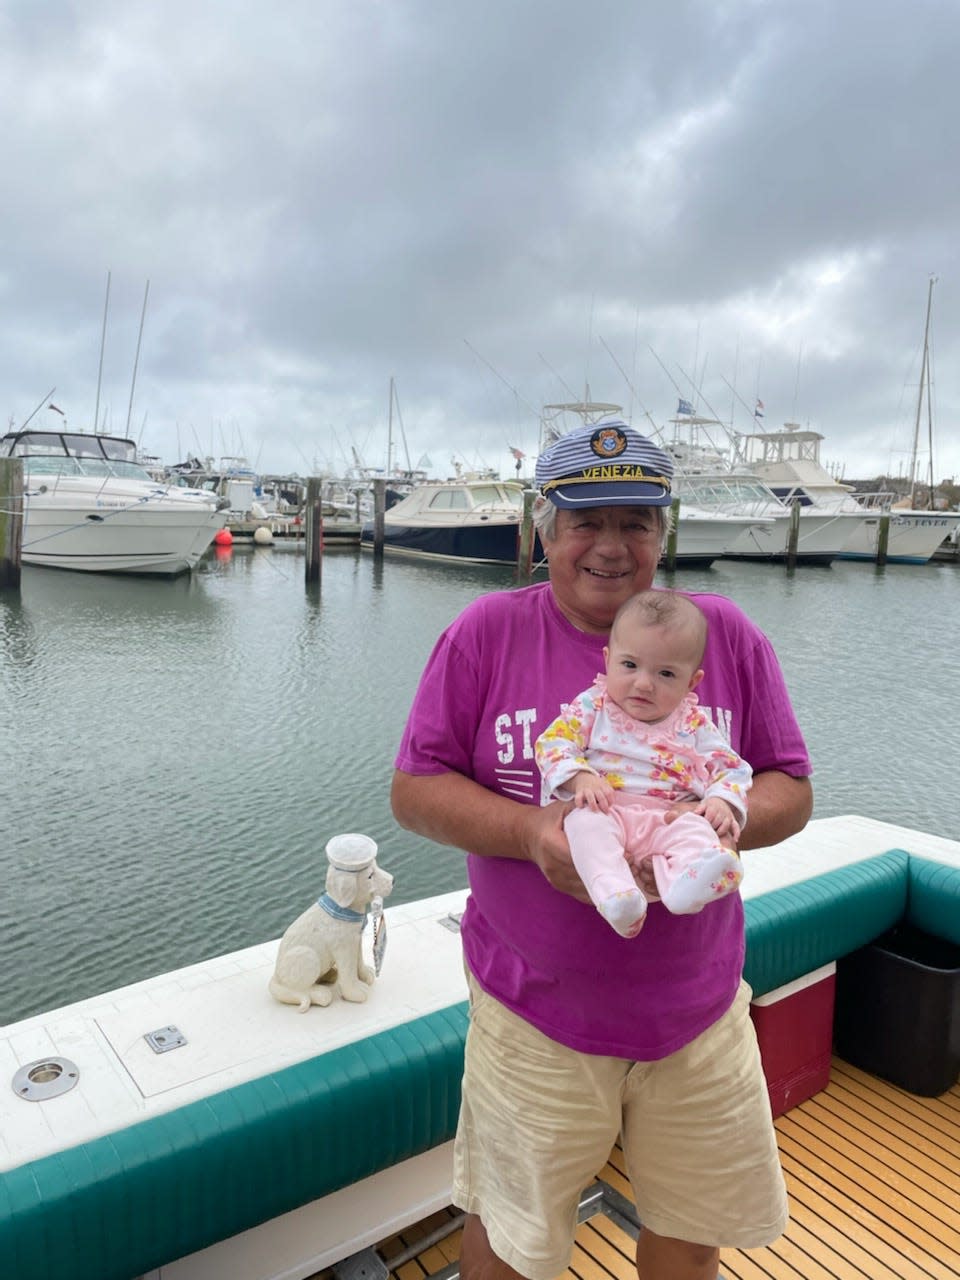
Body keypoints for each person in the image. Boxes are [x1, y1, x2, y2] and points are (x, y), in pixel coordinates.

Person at [391, 418, 813, 1280]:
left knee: (693, 1239)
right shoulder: (484, 633)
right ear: (543, 528)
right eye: (586, 521)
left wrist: (724, 817)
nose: (611, 546)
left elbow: (791, 788)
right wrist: (531, 833)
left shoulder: (723, 635)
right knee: (512, 1240)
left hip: (698, 1013)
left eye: (636, 521)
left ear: (666, 532)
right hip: (533, 1016)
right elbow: (413, 790)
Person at [535, 589, 750, 937]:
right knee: (585, 827)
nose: (644, 683)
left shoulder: (693, 724)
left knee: (696, 830)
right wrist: (579, 778)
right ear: (608, 660)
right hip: (606, 808)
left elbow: (731, 768)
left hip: (668, 815)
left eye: (666, 674)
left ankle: (688, 886)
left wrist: (722, 801)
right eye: (630, 665)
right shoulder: (593, 707)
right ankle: (617, 896)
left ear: (692, 681)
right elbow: (552, 743)